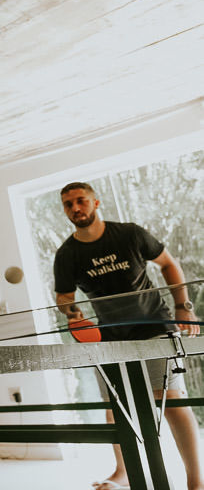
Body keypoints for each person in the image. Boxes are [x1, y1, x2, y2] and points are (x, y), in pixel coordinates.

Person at [53, 181, 202, 490]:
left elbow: (168, 263)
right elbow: (64, 297)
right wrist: (72, 313)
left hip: (155, 327)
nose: (75, 208)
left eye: (81, 201)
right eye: (68, 204)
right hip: (110, 338)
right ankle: (122, 472)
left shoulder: (130, 234)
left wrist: (183, 306)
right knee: (115, 407)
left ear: (96, 202)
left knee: (171, 402)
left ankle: (196, 481)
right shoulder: (67, 254)